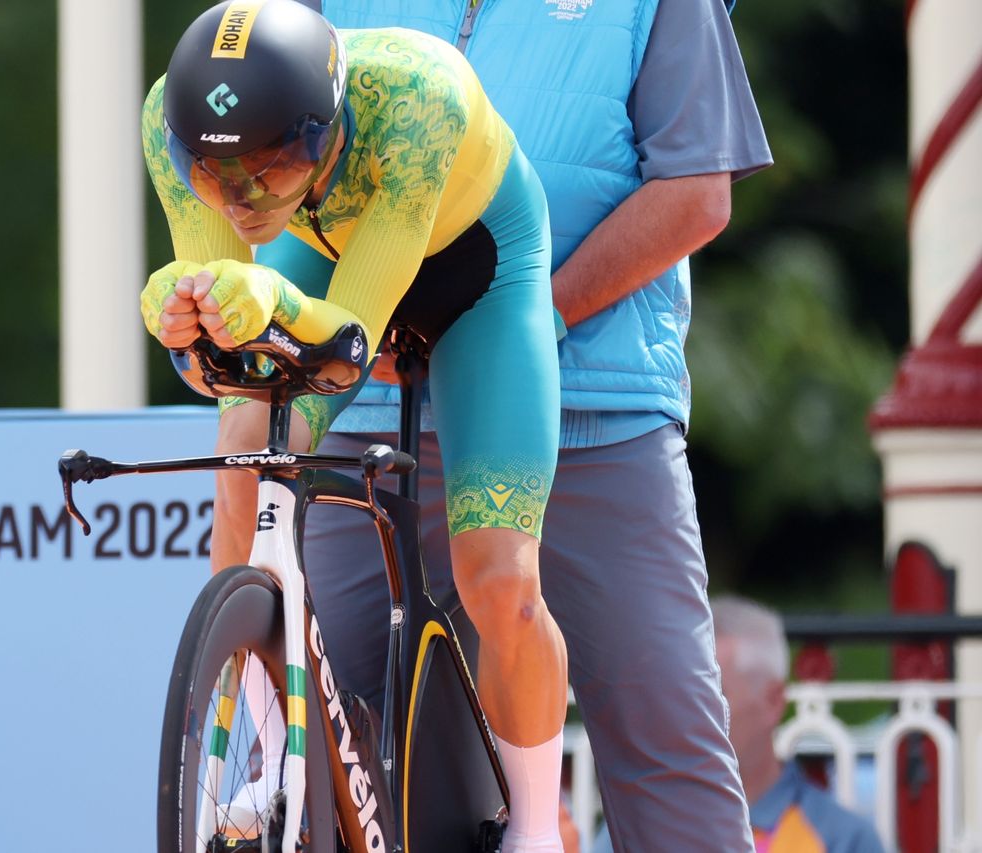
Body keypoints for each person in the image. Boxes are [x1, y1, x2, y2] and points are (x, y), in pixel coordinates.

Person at [290, 0, 774, 850]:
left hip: (599, 410)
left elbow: (697, 193)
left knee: (667, 753)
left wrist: (523, 328)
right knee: (315, 746)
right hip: (368, 414)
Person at [140, 1, 569, 848]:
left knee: (498, 578)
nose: (242, 199)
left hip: (475, 266)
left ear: (324, 132)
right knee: (243, 456)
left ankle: (536, 823)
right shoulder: (168, 122)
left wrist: (261, 305)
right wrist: (188, 322)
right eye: (215, 177)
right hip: (326, 256)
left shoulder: (419, 96)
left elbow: (345, 344)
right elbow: (218, 366)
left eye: (270, 165)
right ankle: (260, 748)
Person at [712, 596, 885, 852]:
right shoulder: (648, 822)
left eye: (715, 694)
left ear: (772, 701)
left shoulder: (842, 839)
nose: (687, 714)